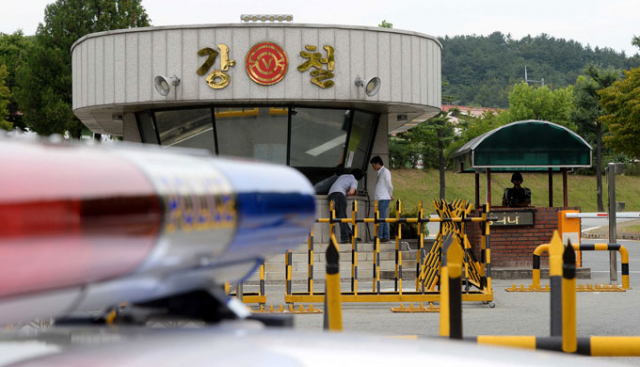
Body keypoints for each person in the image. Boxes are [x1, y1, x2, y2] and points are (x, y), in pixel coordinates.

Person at [328, 169, 364, 244]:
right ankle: (345, 237)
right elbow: (351, 192)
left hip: (331, 196)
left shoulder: (343, 176)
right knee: (342, 217)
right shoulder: (354, 180)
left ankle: (350, 235)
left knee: (340, 217)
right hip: (339, 195)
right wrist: (348, 193)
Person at [370, 156, 393, 242]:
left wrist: (390, 194)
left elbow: (389, 184)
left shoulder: (385, 172)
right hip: (381, 198)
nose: (373, 167)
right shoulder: (381, 172)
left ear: (377, 163)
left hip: (384, 197)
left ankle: (380, 236)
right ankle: (384, 236)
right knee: (382, 217)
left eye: (373, 165)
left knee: (381, 218)